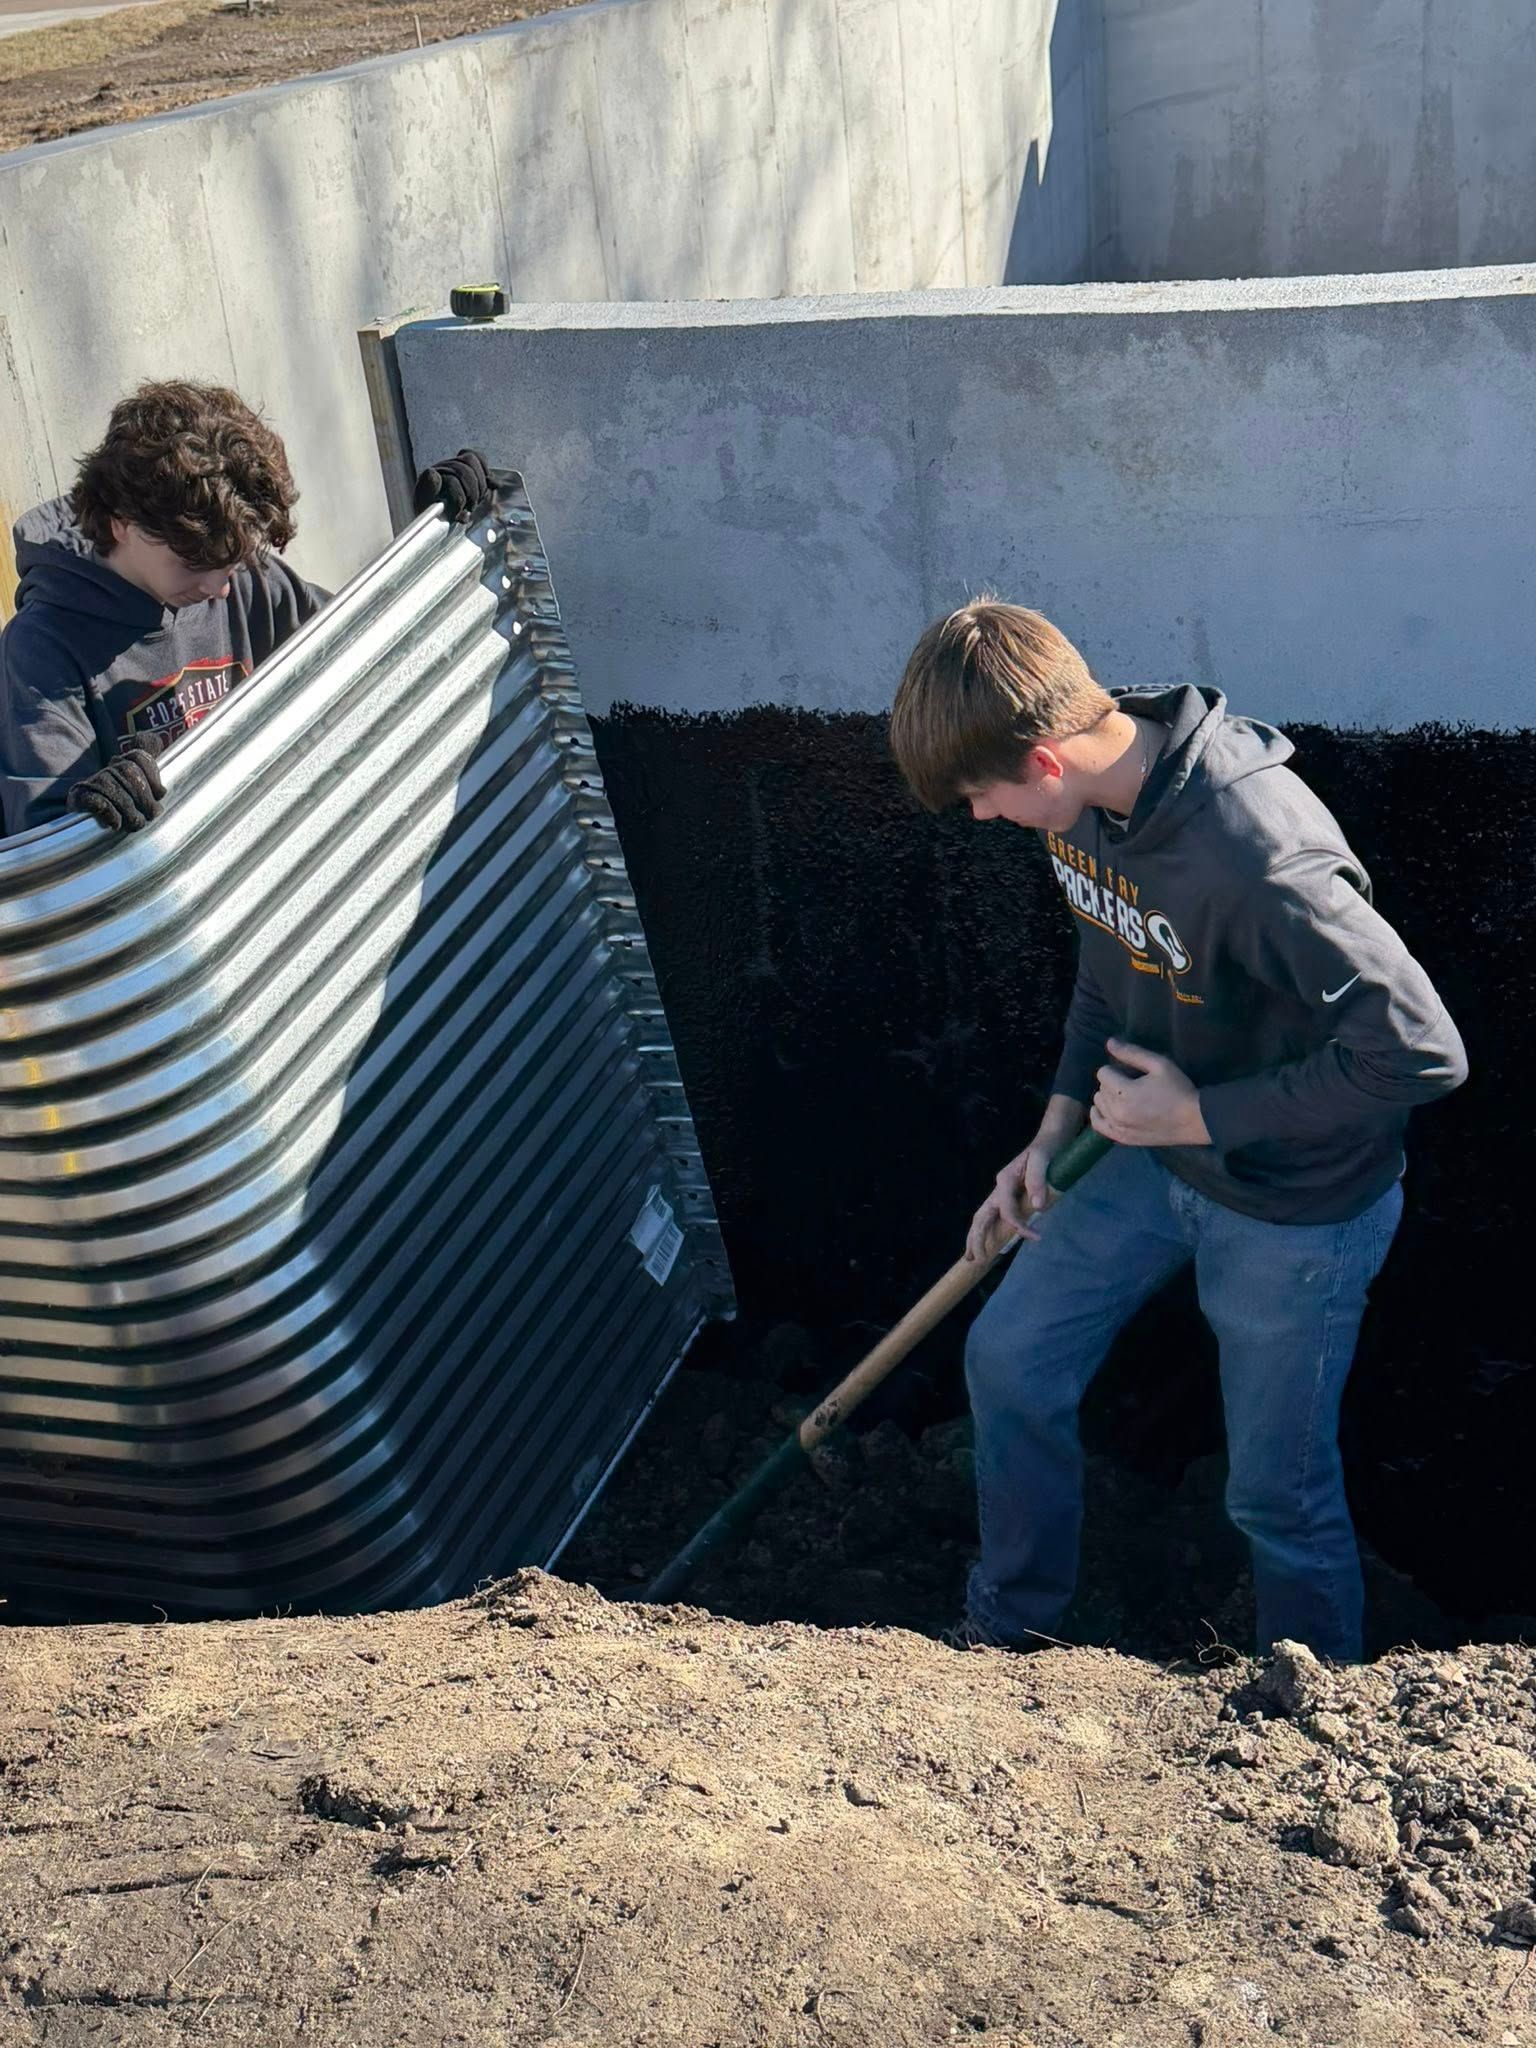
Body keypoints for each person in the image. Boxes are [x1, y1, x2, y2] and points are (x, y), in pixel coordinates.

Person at [888, 600, 1466, 1663]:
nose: (981, 818)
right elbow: (1114, 970)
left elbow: (1422, 1051)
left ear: (1045, 760)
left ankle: (1311, 1715)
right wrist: (1054, 1131)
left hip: (1295, 1207)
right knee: (1010, 1357)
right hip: (1141, 1155)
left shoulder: (1259, 852)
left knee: (1275, 1498)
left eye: (983, 795)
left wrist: (1198, 1112)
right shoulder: (1086, 815)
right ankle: (1005, 1631)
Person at [0, 379, 502, 835]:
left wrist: (436, 542)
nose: (219, 589)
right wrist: (90, 814)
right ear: (120, 523)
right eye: (193, 563)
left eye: (233, 563)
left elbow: (369, 653)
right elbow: (41, 843)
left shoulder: (250, 584)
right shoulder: (44, 648)